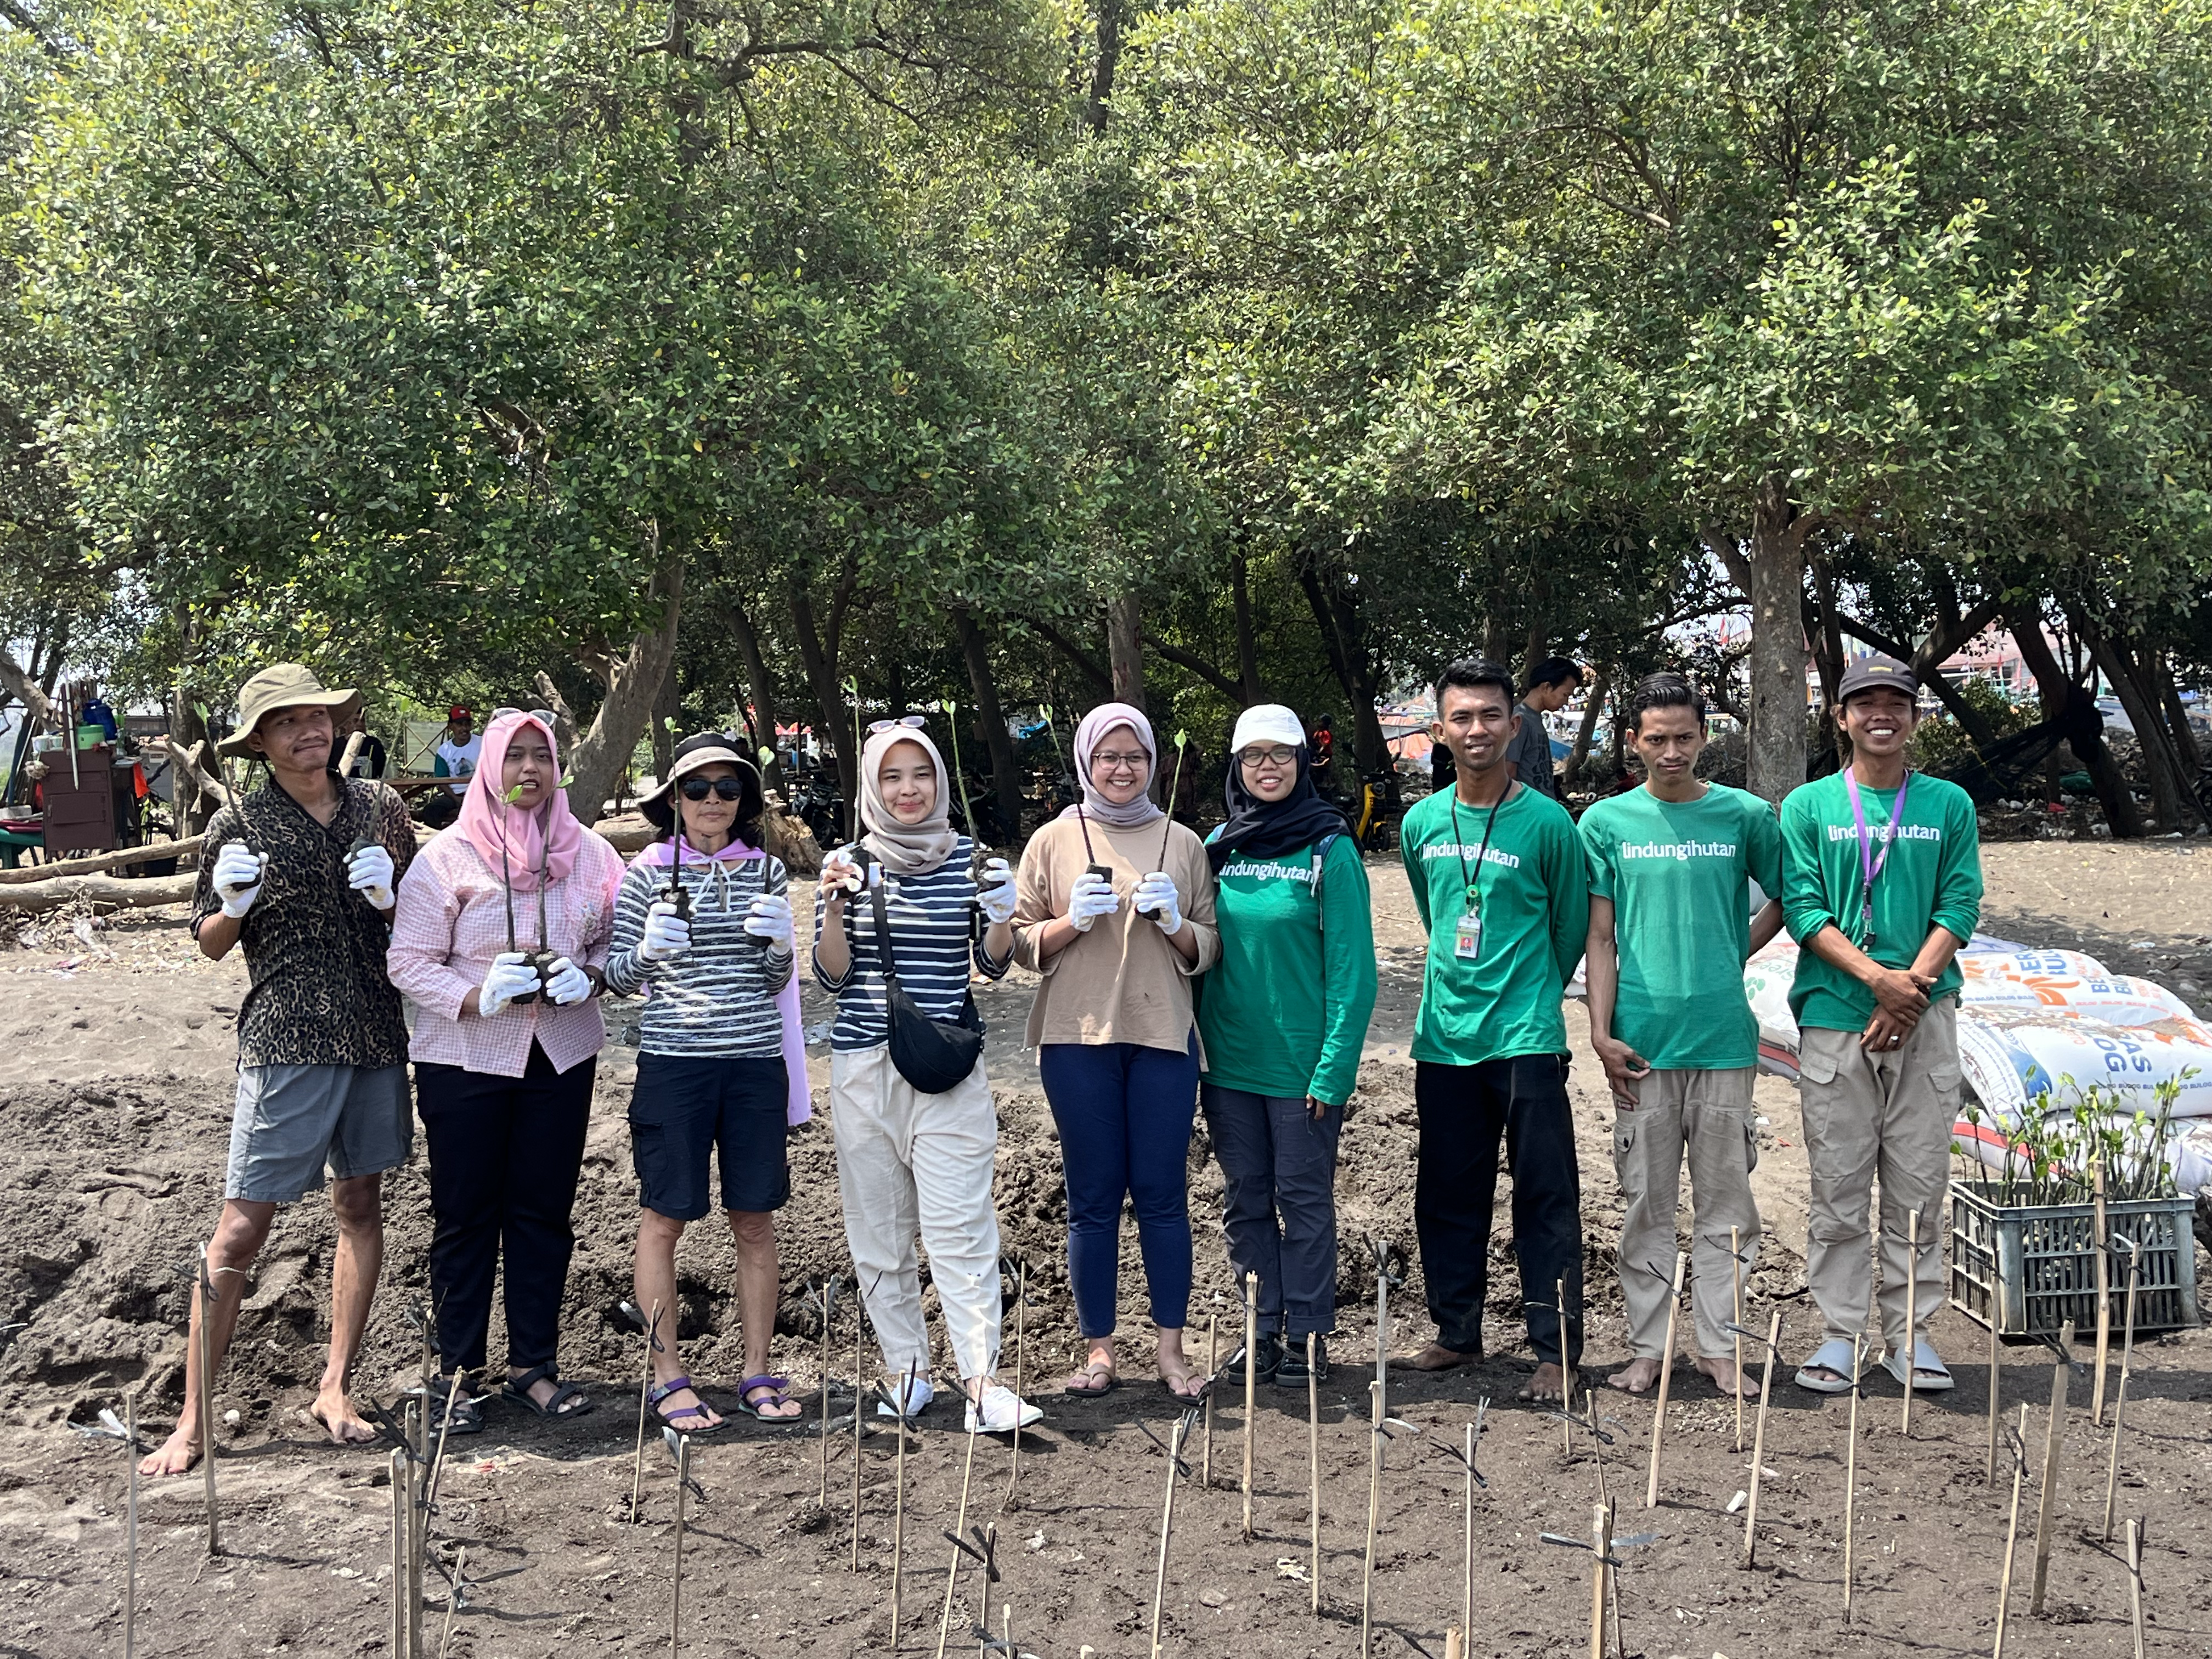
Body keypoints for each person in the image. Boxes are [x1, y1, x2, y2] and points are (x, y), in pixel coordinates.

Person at [142, 664, 415, 1476]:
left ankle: (335, 1386)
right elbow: (210, 941)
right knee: (240, 1229)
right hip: (286, 1040)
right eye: (287, 722)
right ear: (259, 742)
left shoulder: (380, 808)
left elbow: (423, 917)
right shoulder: (239, 823)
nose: (310, 732)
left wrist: (391, 893)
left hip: (374, 1033)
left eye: (319, 717)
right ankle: (192, 1421)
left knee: (360, 1202)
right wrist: (233, 904)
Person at [387, 709, 625, 1428]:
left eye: (541, 757)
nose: (529, 770)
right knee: (466, 1214)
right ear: (489, 767)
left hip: (560, 1055)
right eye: (514, 757)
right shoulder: (448, 858)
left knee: (543, 1212)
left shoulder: (589, 853)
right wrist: (471, 995)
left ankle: (533, 1366)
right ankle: (456, 1373)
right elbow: (406, 961)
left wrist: (596, 975)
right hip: (466, 1059)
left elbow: (622, 940)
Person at [813, 718, 1040, 1431]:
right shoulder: (847, 861)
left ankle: (981, 1382)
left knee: (961, 1225)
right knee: (879, 1231)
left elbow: (995, 962)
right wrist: (833, 910)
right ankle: (906, 1372)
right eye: (891, 776)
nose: (908, 790)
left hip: (945, 1065)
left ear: (941, 782)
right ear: (872, 787)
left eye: (921, 775)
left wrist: (1002, 914)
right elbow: (830, 976)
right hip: (861, 1068)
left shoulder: (970, 858)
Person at [1781, 654, 1982, 1394]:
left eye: (1895, 703)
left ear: (1914, 717)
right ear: (1840, 717)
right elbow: (1805, 911)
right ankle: (1838, 1334)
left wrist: (1913, 989)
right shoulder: (1808, 807)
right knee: (1838, 1184)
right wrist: (1877, 984)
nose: (1880, 715)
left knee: (1919, 1184)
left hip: (1926, 1018)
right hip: (1837, 1018)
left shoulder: (1948, 805)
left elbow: (1959, 906)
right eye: (1864, 703)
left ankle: (1909, 1336)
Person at [1580, 674, 1784, 1398]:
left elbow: (1793, 896)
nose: (1672, 751)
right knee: (1646, 1204)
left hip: (1725, 1040)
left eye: (1685, 738)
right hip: (1641, 1043)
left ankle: (1720, 1348)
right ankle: (1649, 1347)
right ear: (1634, 742)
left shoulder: (1745, 817)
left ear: (1705, 739)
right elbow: (1599, 937)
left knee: (1728, 1204)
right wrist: (1600, 1033)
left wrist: (1735, 953)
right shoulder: (1606, 825)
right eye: (1657, 739)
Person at [1013, 703, 1221, 1402]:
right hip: (1077, 1039)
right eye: (1108, 757)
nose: (1122, 769)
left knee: (1163, 1198)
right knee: (1092, 1200)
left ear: (1155, 761)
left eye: (1135, 756)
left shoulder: (1184, 843)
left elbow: (1212, 946)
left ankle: (1170, 1350)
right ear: (1086, 762)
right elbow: (1017, 942)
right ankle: (1099, 1349)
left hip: (1163, 1038)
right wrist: (1071, 921)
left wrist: (1177, 923)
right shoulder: (1051, 839)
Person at [1397, 659, 1590, 1402]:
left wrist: (1533, 987)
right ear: (1441, 730)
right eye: (1461, 717)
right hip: (1444, 1038)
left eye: (1490, 716)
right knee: (1447, 1192)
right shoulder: (1420, 823)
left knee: (1545, 1195)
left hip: (1527, 1038)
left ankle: (1554, 1348)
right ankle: (1457, 1333)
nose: (1476, 729)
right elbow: (1435, 913)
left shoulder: (1547, 822)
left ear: (1515, 725)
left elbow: (1569, 925)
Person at [605, 733, 808, 1427]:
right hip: (675, 1064)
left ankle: (755, 1370)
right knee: (665, 1217)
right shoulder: (647, 872)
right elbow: (618, 979)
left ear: (744, 799)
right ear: (674, 799)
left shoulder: (768, 873)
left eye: (727, 788)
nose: (713, 801)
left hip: (753, 1064)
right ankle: (668, 1377)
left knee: (755, 1217)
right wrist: (646, 950)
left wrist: (782, 946)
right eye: (698, 788)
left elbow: (775, 980)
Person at [1195, 704, 1375, 1386]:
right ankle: (1260, 1329)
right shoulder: (1222, 846)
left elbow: (1353, 973)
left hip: (1303, 1067)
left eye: (1281, 754)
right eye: (1252, 756)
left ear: (1304, 762)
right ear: (1236, 767)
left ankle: (1306, 1332)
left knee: (1303, 1200)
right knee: (1245, 1197)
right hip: (1229, 1064)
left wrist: (1334, 1071)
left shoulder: (1330, 847)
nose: (1266, 767)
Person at [1507, 658, 1583, 799]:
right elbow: (1509, 773)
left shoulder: (1535, 718)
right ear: (1547, 687)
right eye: (1565, 694)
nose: (1566, 701)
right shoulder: (1520, 720)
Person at [423, 706, 480, 828]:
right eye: (460, 724)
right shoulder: (444, 751)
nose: (464, 729)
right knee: (431, 811)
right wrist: (455, 798)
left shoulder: (482, 743)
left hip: (479, 793)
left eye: (467, 724)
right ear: (451, 726)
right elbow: (441, 781)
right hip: (454, 796)